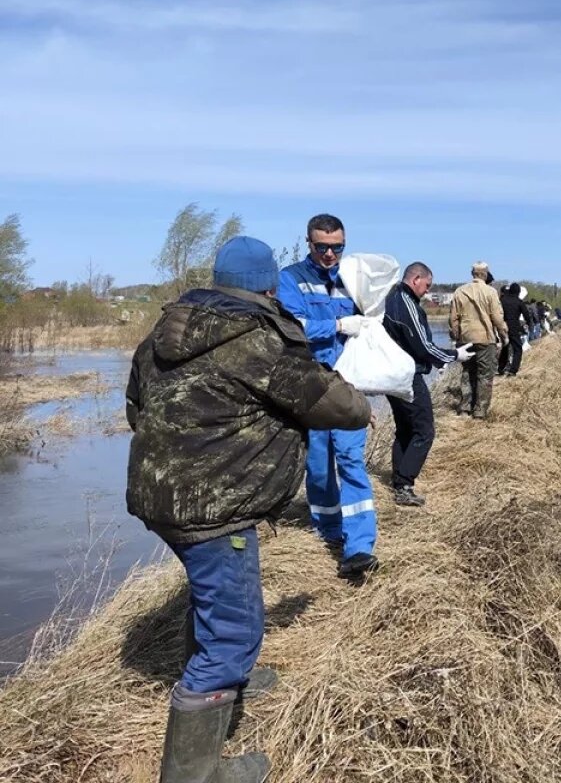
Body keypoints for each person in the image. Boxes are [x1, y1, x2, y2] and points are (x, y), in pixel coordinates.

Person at [127, 236, 371, 782]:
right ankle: (194, 772)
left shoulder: (161, 334)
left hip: (159, 494)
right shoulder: (258, 340)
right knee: (236, 633)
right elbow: (339, 405)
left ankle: (227, 676)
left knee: (218, 591)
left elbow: (134, 405)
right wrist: (363, 398)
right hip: (215, 508)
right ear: (268, 286)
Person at [277, 213, 379, 579]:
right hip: (313, 387)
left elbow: (375, 319)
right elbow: (293, 328)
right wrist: (337, 325)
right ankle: (328, 531)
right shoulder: (292, 279)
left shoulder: (353, 280)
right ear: (309, 243)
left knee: (351, 460)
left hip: (348, 386)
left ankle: (359, 547)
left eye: (338, 247)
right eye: (323, 247)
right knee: (318, 467)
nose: (330, 255)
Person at [382, 262, 475, 507]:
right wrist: (453, 355)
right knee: (424, 430)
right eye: (427, 285)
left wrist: (436, 361)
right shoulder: (405, 302)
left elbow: (414, 344)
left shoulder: (392, 298)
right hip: (406, 375)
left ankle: (399, 481)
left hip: (393, 374)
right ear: (416, 279)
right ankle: (404, 485)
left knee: (405, 428)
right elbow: (422, 344)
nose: (427, 291)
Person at [449, 262, 507, 418]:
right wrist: (503, 335)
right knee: (485, 375)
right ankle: (480, 411)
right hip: (485, 338)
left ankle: (465, 407)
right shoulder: (490, 292)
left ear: (472, 273)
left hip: (465, 338)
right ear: (486, 274)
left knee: (467, 372)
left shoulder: (459, 291)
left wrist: (456, 337)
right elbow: (497, 317)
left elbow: (453, 319)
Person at [498, 282, 526, 376]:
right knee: (517, 349)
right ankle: (513, 370)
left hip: (502, 327)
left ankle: (501, 367)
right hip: (514, 327)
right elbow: (526, 314)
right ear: (518, 292)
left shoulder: (502, 300)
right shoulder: (519, 301)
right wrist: (529, 324)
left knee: (505, 347)